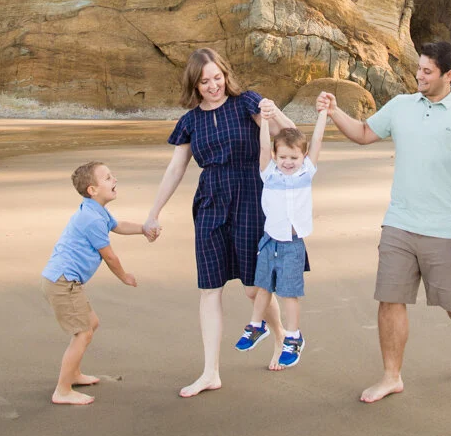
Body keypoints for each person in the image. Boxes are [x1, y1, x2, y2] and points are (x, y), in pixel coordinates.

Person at [317, 41, 451, 404]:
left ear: (449, 75)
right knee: (390, 299)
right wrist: (334, 111)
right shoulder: (401, 106)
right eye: (419, 68)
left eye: (427, 71)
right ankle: (391, 376)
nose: (419, 75)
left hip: (447, 225)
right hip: (400, 222)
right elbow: (363, 133)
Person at [142, 47, 296, 397]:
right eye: (204, 81)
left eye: (217, 78)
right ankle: (210, 372)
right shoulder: (190, 122)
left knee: (253, 287)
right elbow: (175, 169)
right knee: (210, 288)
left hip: (251, 198)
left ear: (225, 75)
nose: (213, 86)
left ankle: (280, 335)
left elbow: (288, 136)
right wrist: (154, 212)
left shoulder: (246, 103)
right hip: (210, 203)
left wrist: (274, 112)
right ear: (194, 85)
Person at [40, 161, 143, 406]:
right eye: (107, 178)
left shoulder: (97, 211)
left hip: (66, 281)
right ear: (92, 190)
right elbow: (109, 256)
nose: (114, 179)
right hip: (63, 282)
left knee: (90, 324)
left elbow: (118, 226)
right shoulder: (91, 219)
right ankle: (62, 390)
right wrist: (124, 276)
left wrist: (144, 228)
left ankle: (73, 374)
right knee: (83, 333)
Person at [237, 100, 328, 370]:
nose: (288, 162)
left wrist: (324, 114)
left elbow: (317, 140)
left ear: (303, 157)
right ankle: (256, 325)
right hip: (269, 240)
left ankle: (293, 337)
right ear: (276, 157)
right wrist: (265, 120)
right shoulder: (268, 174)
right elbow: (264, 146)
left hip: (292, 244)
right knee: (263, 286)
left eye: (294, 158)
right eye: (283, 157)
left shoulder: (306, 173)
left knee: (289, 293)